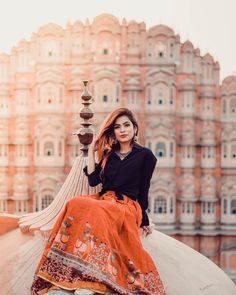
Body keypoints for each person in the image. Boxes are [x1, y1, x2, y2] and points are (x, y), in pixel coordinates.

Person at [31, 108, 166, 295]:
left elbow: (144, 189)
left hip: (126, 205)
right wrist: (95, 146)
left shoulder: (145, 155)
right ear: (113, 132)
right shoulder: (110, 153)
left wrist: (143, 219)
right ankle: (71, 270)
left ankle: (95, 277)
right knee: (75, 203)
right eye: (117, 127)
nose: (123, 130)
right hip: (104, 199)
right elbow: (94, 180)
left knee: (98, 210)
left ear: (135, 128)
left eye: (127, 125)